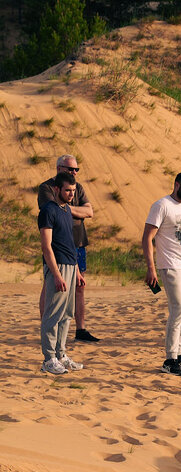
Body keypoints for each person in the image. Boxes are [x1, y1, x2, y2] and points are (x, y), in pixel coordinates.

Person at [37, 154, 97, 342]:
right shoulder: (46, 188)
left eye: (76, 169)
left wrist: (66, 208)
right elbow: (53, 211)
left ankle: (80, 329)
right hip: (56, 245)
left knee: (79, 286)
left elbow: (89, 211)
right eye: (70, 169)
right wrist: (69, 209)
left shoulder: (77, 187)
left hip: (77, 243)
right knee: (51, 284)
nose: (74, 173)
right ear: (59, 168)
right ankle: (46, 326)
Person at [143, 171, 181, 376]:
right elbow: (147, 237)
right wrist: (151, 268)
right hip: (169, 264)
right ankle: (169, 358)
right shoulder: (161, 205)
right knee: (178, 310)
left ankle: (179, 353)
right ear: (176, 185)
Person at [37, 172, 85, 374]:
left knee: (66, 315)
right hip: (57, 267)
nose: (71, 194)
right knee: (53, 314)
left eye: (73, 191)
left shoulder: (67, 211)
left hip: (70, 265)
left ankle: (61, 354)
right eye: (67, 190)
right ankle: (48, 359)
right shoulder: (48, 211)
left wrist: (76, 271)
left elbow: (70, 244)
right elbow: (46, 246)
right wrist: (56, 274)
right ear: (57, 189)